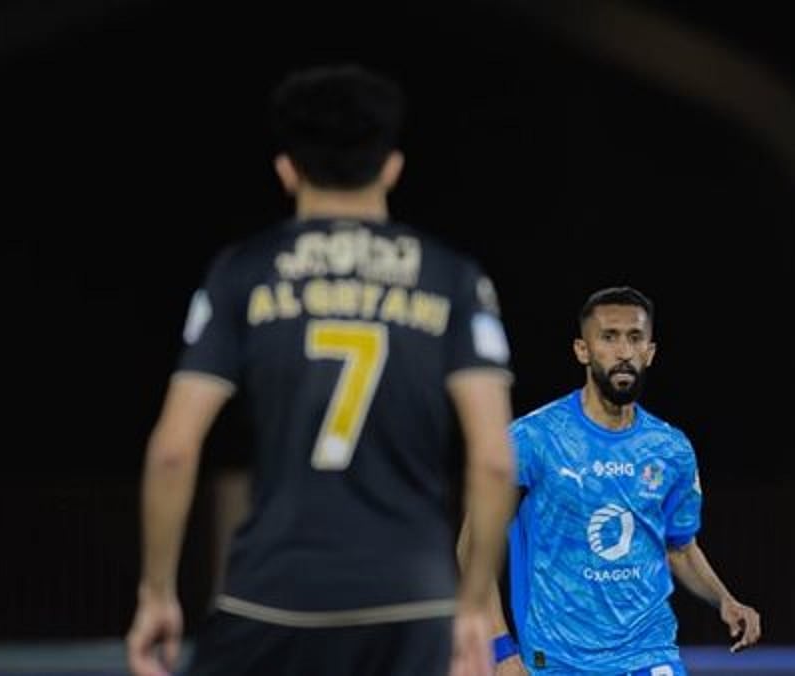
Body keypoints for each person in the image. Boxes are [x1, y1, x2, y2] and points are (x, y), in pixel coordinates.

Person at [125, 64, 518, 676]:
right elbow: (494, 460)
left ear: (286, 169)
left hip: (271, 595)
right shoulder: (453, 278)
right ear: (392, 167)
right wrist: (471, 607)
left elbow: (173, 451)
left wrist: (156, 592)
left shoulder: (242, 271)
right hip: (412, 599)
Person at [487, 286, 760, 675]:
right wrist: (501, 649)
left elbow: (680, 548)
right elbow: (474, 546)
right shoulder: (533, 439)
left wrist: (725, 600)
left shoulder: (670, 449)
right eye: (609, 337)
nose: (624, 352)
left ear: (650, 352)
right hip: (558, 659)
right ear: (582, 350)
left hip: (649, 651)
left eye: (635, 338)